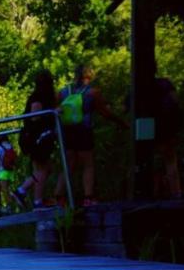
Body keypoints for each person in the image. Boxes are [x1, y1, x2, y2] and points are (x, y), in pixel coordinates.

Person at [53, 63, 128, 204]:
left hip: (67, 131)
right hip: (84, 131)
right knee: (88, 164)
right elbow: (105, 112)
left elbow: (54, 111)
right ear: (89, 75)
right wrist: (121, 123)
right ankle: (88, 197)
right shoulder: (92, 93)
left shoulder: (63, 92)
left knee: (68, 164)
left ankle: (59, 196)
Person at [14, 70, 58, 208]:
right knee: (42, 170)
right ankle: (36, 201)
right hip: (37, 139)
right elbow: (35, 116)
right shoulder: (38, 98)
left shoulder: (40, 97)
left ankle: (22, 191)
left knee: (46, 169)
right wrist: (52, 114)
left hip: (38, 138)